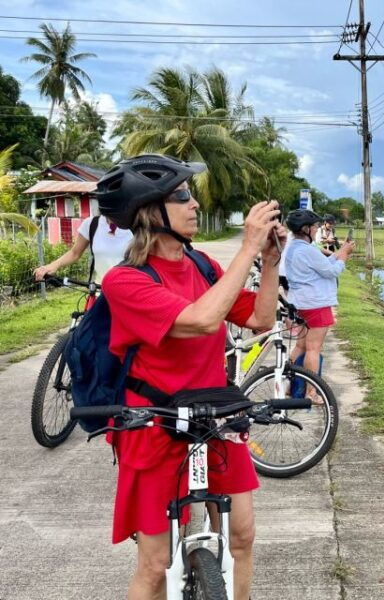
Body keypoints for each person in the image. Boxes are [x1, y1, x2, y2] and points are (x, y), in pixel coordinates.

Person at [95, 153, 286, 600]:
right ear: (149, 213)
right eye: (181, 196)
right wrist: (246, 248)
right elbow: (200, 319)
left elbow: (260, 317)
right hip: (153, 422)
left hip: (212, 414)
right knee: (155, 563)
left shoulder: (203, 267)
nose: (194, 203)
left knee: (242, 536)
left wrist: (270, 262)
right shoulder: (126, 281)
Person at [284, 209, 354, 399]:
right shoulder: (307, 250)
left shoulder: (294, 247)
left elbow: (322, 264)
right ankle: (311, 392)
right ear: (306, 229)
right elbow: (331, 272)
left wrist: (339, 252)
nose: (316, 230)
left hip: (299, 303)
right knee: (313, 349)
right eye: (314, 227)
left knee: (300, 347)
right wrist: (345, 256)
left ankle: (287, 383)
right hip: (316, 304)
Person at [33, 213, 133, 284]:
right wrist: (53, 265)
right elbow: (75, 253)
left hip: (132, 291)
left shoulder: (138, 224)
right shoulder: (92, 224)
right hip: (101, 291)